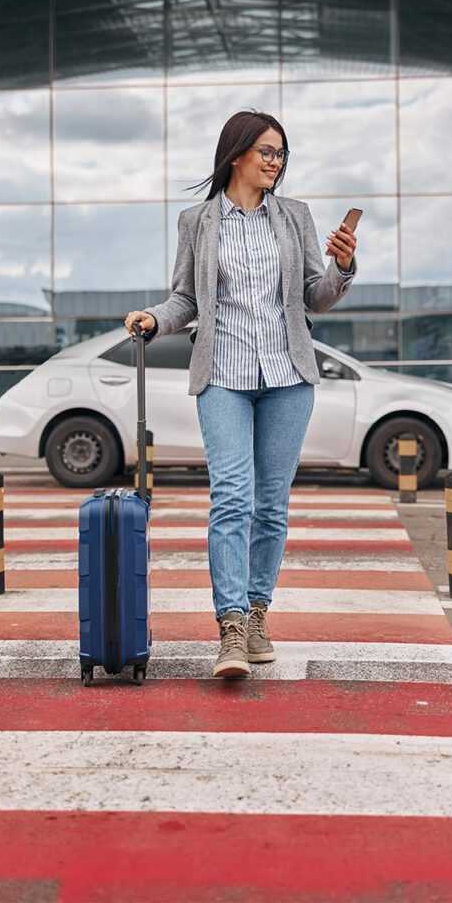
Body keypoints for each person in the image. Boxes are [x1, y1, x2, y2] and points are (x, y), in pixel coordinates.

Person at [125, 110, 357, 679]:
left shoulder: (295, 217)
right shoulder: (197, 222)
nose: (276, 162)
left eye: (281, 153)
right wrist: (154, 318)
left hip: (288, 377)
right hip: (223, 375)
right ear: (237, 156)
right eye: (267, 152)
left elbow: (315, 297)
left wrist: (342, 267)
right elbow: (185, 300)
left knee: (271, 506)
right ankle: (229, 626)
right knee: (233, 498)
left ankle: (257, 614)